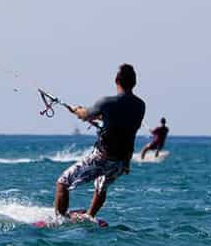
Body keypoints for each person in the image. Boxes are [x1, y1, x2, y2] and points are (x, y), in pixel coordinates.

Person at [54, 64, 146, 220]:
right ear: (134, 83)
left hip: (102, 158)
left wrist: (76, 110)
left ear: (116, 81)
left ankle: (59, 219)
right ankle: (90, 216)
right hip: (121, 161)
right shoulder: (140, 105)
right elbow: (123, 124)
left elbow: (85, 114)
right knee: (101, 187)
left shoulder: (106, 102)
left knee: (62, 182)